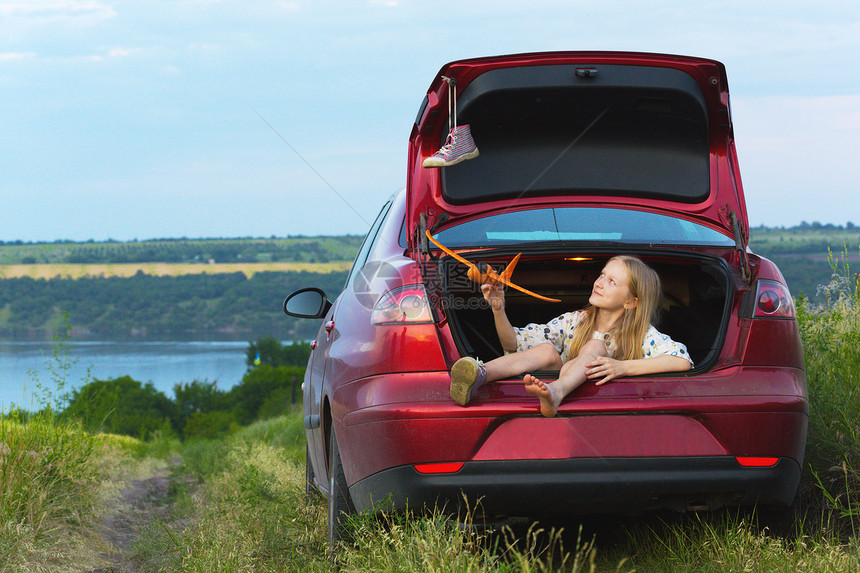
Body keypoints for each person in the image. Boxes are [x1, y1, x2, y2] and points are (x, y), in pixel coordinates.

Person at [449, 255, 693, 417]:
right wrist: (498, 308)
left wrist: (622, 367)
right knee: (546, 350)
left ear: (631, 302)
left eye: (611, 281)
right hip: (559, 377)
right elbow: (514, 343)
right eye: (601, 275)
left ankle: (556, 393)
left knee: (596, 346)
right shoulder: (576, 320)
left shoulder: (641, 335)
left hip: (572, 393)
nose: (599, 283)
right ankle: (479, 374)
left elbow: (682, 360)